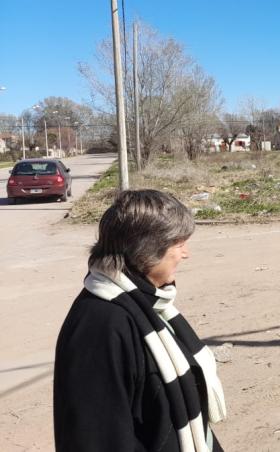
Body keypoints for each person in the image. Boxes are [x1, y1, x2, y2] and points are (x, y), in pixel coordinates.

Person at [54, 189, 227, 452]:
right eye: (178, 244)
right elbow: (96, 439)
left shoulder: (146, 304)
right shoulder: (101, 326)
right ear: (147, 249)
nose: (186, 253)